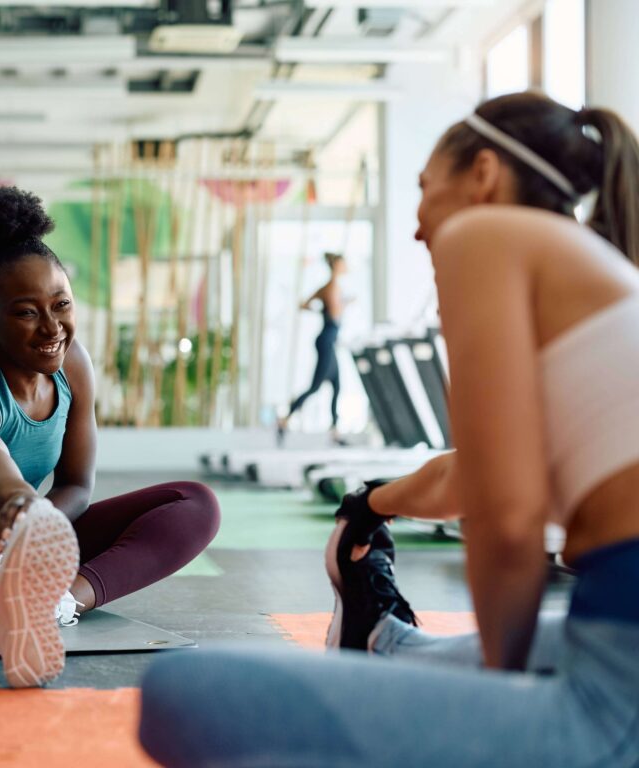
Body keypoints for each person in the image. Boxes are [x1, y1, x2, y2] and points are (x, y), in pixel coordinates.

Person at [139, 91, 639, 767]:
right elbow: (470, 476)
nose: (416, 227)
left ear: (484, 174)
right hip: (609, 634)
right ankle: (386, 641)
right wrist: (370, 506)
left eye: (423, 189)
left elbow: (507, 517)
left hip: (618, 690)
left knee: (183, 694)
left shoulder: (486, 236)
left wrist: (494, 702)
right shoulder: (600, 273)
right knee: (437, 656)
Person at [0, 185, 220, 688]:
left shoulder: (73, 367)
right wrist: (19, 506)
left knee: (195, 502)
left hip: (23, 535)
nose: (52, 327)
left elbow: (76, 484)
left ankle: (58, 603)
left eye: (61, 304)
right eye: (27, 312)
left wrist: (35, 523)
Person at [277, 251, 348, 445]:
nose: (347, 267)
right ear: (336, 266)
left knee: (336, 384)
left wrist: (320, 309)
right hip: (326, 339)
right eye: (344, 264)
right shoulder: (332, 288)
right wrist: (343, 305)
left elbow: (305, 305)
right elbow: (334, 314)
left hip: (328, 340)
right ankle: (285, 418)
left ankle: (335, 430)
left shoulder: (328, 287)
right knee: (316, 387)